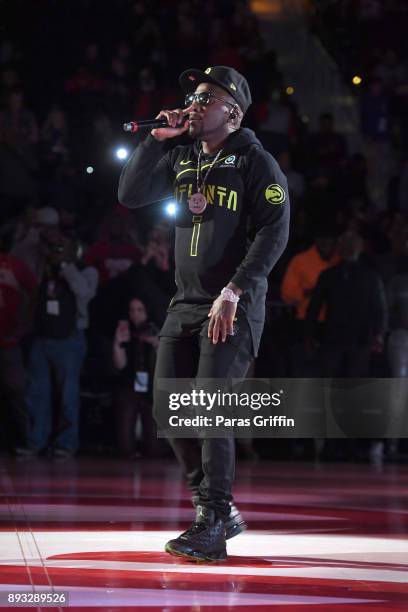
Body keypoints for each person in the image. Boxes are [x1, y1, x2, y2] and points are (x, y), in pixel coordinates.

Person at [118, 65, 290, 561]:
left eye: (205, 99)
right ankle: (214, 508)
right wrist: (155, 139)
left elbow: (274, 232)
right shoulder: (184, 155)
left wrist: (235, 291)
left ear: (231, 111)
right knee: (168, 411)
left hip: (231, 305)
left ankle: (212, 521)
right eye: (191, 96)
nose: (193, 105)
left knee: (210, 405)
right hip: (185, 302)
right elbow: (129, 195)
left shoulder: (256, 162)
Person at [24, 235, 98, 457]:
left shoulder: (86, 271)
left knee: (68, 395)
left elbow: (85, 293)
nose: (58, 251)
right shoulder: (45, 269)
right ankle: (36, 441)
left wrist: (66, 266)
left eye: (63, 248)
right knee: (37, 394)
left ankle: (66, 444)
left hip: (70, 339)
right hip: (42, 337)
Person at [112, 297, 160, 458]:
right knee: (125, 446)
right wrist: (117, 343)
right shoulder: (126, 331)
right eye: (132, 310)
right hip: (130, 384)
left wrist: (156, 344)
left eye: (139, 310)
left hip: (152, 387)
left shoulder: (156, 330)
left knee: (154, 447)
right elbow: (120, 365)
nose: (135, 314)